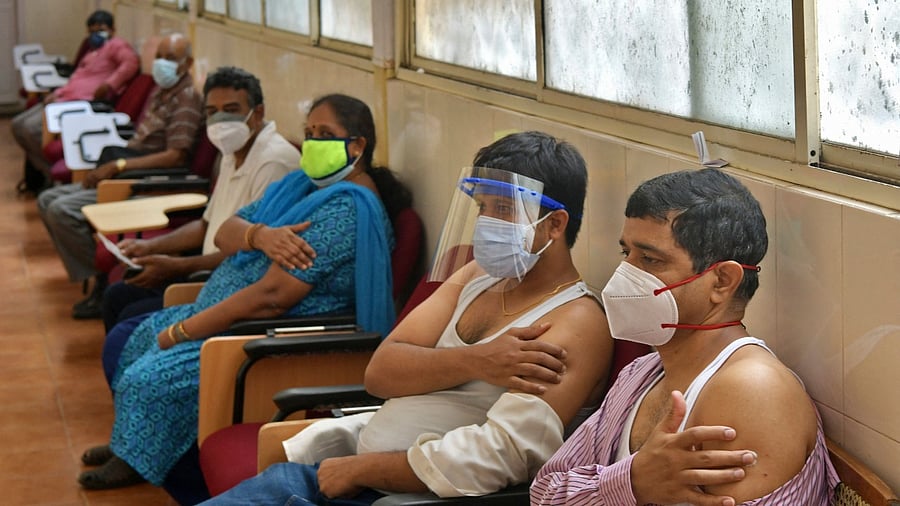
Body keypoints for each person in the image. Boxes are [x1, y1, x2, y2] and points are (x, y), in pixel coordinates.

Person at [200, 131, 614, 505]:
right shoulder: (480, 275)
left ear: (555, 223)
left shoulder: (576, 321)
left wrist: (363, 470)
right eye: (482, 208)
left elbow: (498, 455)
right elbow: (381, 373)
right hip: (352, 471)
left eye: (504, 208)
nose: (486, 223)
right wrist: (479, 360)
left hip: (400, 495)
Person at [76, 94, 404, 504]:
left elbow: (272, 296)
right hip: (221, 316)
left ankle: (170, 474)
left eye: (326, 135)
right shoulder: (299, 186)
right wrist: (259, 236)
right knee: (139, 337)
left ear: (357, 146)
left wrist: (184, 330)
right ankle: (132, 445)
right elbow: (225, 232)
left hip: (267, 335)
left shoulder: (346, 212)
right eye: (309, 134)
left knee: (151, 377)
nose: (313, 143)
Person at [530, 169, 838, 505]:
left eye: (650, 259)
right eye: (626, 254)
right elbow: (545, 491)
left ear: (721, 281)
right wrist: (630, 483)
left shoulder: (753, 390)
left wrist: (616, 488)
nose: (624, 275)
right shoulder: (641, 374)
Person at [99, 65, 299, 349]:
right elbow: (206, 224)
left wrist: (176, 266)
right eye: (212, 111)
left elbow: (255, 258)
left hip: (229, 284)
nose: (220, 120)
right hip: (203, 269)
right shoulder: (232, 150)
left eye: (231, 109)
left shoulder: (274, 162)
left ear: (257, 112)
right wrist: (152, 248)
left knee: (127, 318)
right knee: (118, 295)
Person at [37, 32, 204, 319]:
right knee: (48, 198)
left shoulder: (186, 99)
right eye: (160, 56)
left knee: (61, 209)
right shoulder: (162, 89)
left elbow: (176, 155)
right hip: (128, 164)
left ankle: (102, 280)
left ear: (187, 63)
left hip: (147, 181)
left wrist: (120, 167)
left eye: (170, 58)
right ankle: (101, 273)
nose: (162, 63)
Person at [11, 9, 140, 182]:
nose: (96, 34)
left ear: (112, 29)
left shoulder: (116, 45)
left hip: (80, 104)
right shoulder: (93, 50)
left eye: (101, 29)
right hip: (64, 98)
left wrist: (109, 84)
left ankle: (51, 176)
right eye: (92, 30)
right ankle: (45, 171)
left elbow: (131, 62)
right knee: (17, 125)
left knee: (30, 128)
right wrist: (56, 93)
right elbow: (77, 77)